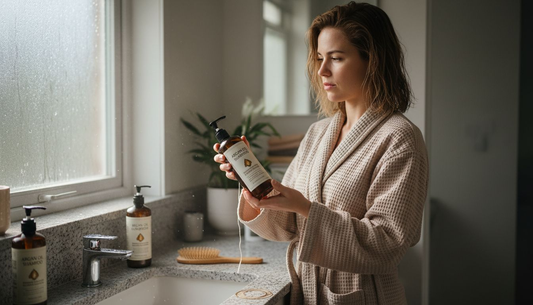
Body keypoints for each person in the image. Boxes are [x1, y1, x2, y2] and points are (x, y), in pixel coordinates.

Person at [214, 2, 428, 304]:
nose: (322, 70)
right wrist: (253, 184)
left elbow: (388, 244)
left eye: (337, 58)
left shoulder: (399, 138)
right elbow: (287, 226)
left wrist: (306, 208)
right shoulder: (319, 133)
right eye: (318, 58)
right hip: (308, 290)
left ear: (373, 61)